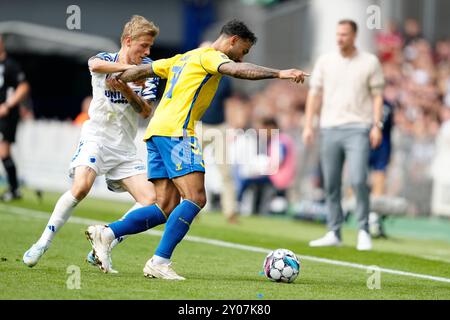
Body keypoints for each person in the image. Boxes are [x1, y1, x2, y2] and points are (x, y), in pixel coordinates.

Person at [85, 19, 308, 279]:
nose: (241, 58)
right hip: (178, 132)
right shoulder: (211, 57)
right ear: (232, 41)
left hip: (156, 131)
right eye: (243, 51)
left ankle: (107, 233)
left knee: (165, 207)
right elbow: (239, 71)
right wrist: (280, 73)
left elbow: (142, 72)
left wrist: (118, 78)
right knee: (196, 198)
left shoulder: (184, 57)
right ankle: (159, 261)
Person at [23, 15, 160, 270]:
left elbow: (145, 112)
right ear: (128, 41)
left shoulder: (150, 70)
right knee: (82, 186)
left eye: (150, 46)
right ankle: (43, 242)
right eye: (143, 45)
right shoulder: (107, 59)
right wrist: (128, 73)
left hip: (125, 148)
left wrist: (127, 89)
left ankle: (105, 241)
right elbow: (94, 65)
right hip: (96, 138)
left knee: (151, 200)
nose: (147, 51)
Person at [303, 20, 385, 251]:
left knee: (358, 179)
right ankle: (334, 231)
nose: (340, 38)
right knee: (331, 183)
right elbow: (314, 94)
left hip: (358, 127)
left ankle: (363, 230)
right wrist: (309, 124)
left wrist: (376, 125)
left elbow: (378, 95)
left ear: (354, 36)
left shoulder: (370, 62)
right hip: (329, 128)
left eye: (344, 34)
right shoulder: (325, 61)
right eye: (337, 34)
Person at [197, 42, 238, 224]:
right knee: (192, 170)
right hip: (198, 125)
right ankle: (192, 210)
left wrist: (230, 126)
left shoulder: (224, 78)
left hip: (219, 126)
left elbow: (229, 104)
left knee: (225, 171)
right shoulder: (196, 74)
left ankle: (230, 211)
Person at [0, 35, 30, 201]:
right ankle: (14, 188)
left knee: (3, 151)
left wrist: (8, 104)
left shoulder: (10, 65)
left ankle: (14, 189)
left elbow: (24, 86)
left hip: (7, 116)